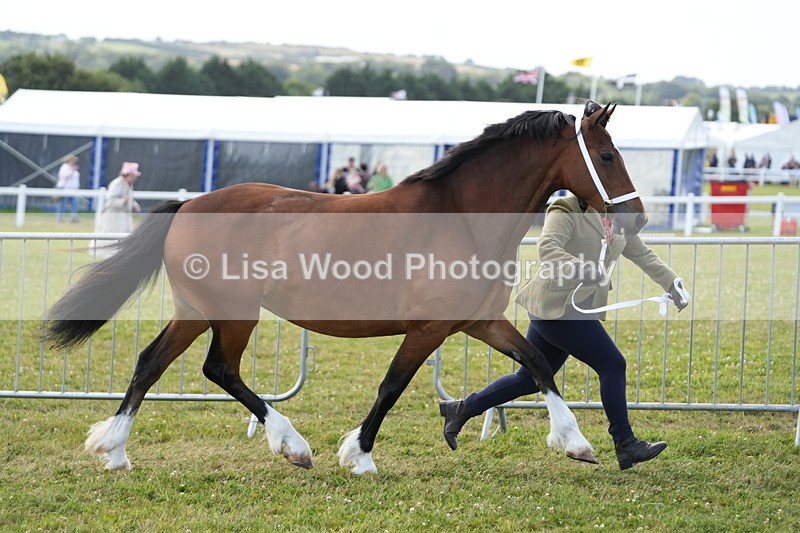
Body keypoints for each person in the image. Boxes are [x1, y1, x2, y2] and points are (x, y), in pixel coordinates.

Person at [440, 194, 690, 470]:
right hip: (554, 306)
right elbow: (548, 247)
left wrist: (672, 282)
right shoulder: (566, 208)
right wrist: (581, 268)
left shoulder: (618, 221)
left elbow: (643, 254)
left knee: (528, 378)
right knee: (612, 364)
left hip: (578, 308)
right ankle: (625, 443)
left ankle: (460, 409)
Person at [97, 161, 142, 234]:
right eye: (133, 176)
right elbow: (111, 201)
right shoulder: (117, 184)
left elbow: (130, 199)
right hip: (113, 218)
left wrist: (134, 206)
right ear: (127, 175)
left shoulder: (129, 185)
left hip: (124, 218)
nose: (135, 178)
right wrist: (122, 201)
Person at [55, 154, 80, 223]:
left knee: (75, 203)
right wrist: (72, 170)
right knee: (62, 204)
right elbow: (63, 176)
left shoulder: (73, 168)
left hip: (73, 190)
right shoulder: (65, 167)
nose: (74, 161)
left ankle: (74, 218)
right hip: (64, 189)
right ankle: (59, 218)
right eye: (72, 160)